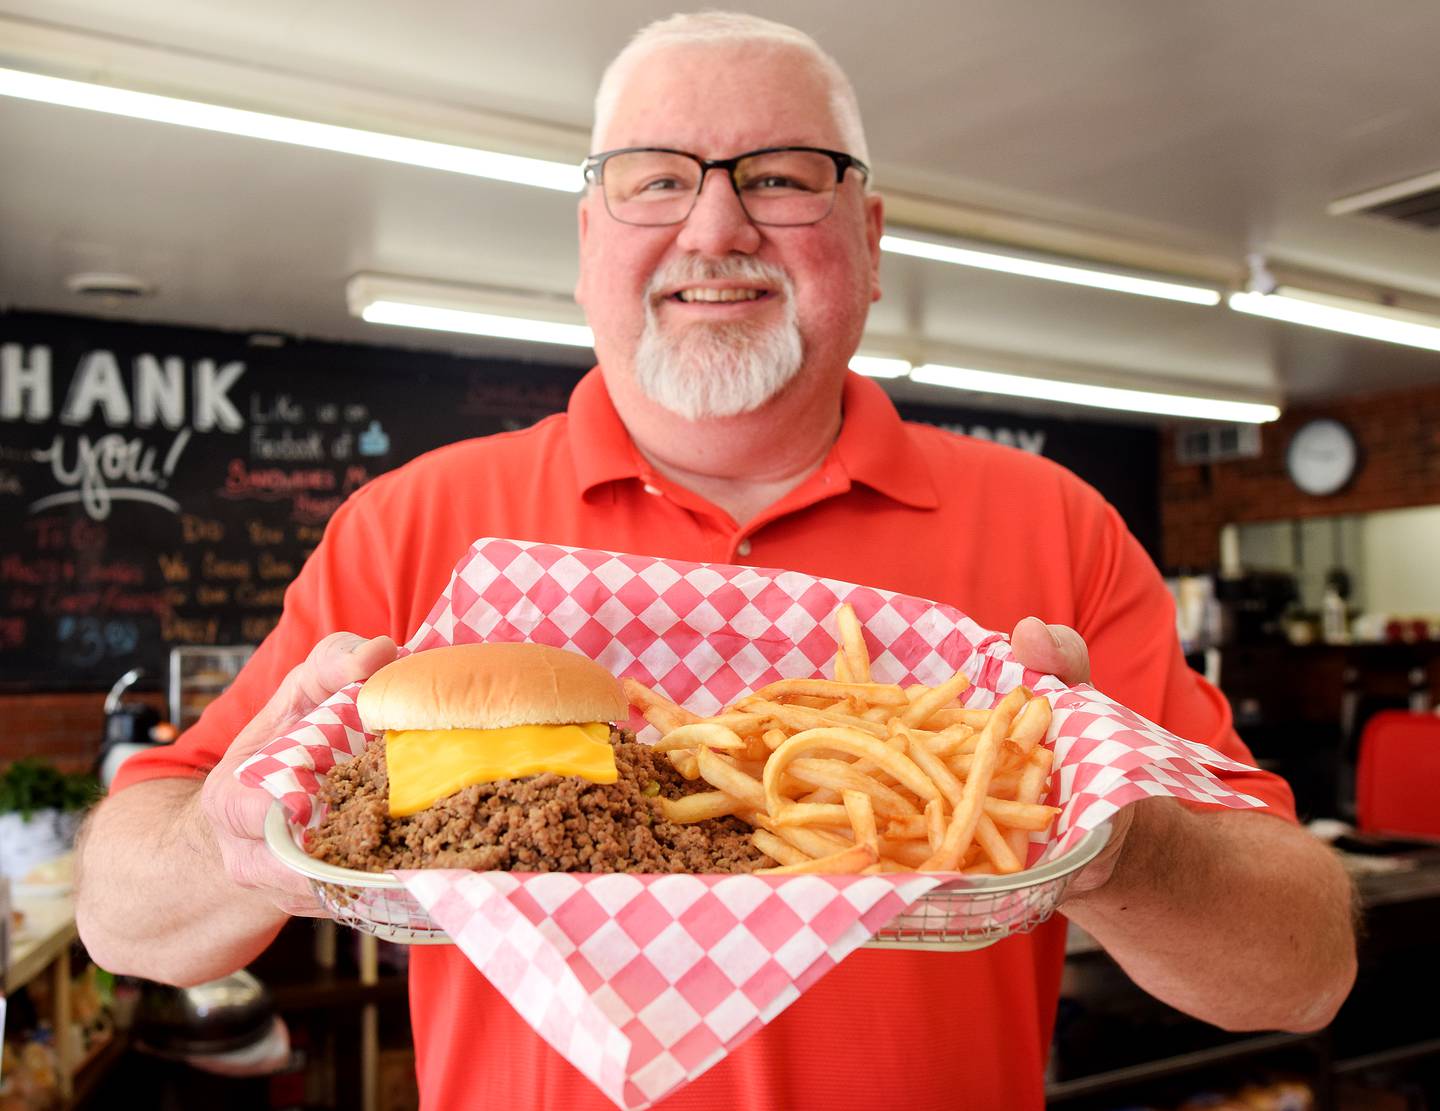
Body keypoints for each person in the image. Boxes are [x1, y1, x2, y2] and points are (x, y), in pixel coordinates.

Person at [76, 12, 1356, 1109]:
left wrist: (1112, 841)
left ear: (869, 234)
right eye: (653, 178)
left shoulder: (1055, 524)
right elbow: (124, 919)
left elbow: (1304, 971)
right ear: (589, 238)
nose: (716, 224)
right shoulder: (414, 525)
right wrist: (235, 842)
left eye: (785, 176)